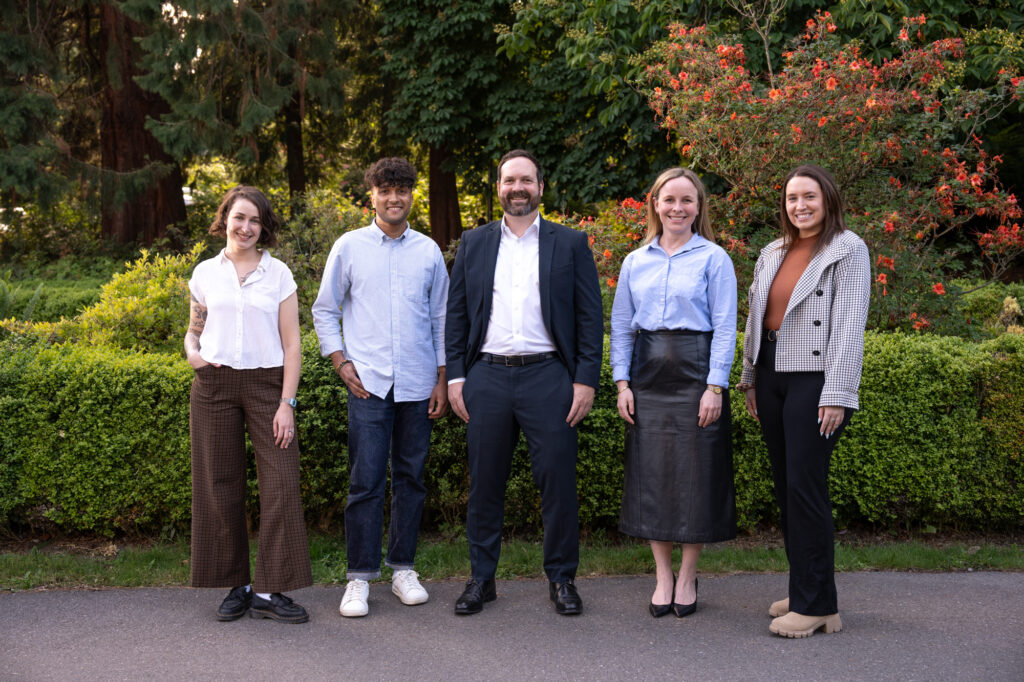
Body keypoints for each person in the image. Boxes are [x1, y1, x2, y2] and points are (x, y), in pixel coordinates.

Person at [445, 149, 604, 616]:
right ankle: (481, 579)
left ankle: (562, 580)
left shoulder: (570, 243)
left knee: (557, 483)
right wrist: (457, 377)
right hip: (487, 377)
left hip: (549, 376)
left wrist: (585, 381)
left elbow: (589, 318)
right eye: (509, 180)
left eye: (526, 180)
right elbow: (455, 315)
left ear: (540, 186)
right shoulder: (473, 243)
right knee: (485, 485)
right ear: (498, 187)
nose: (518, 187)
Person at [736, 164, 870, 638]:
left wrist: (837, 392)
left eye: (809, 197)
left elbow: (850, 324)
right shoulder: (773, 250)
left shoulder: (848, 249)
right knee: (786, 487)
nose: (800, 206)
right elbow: (756, 317)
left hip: (816, 380)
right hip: (772, 375)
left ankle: (815, 606)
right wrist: (749, 378)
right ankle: (809, 591)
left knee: (805, 488)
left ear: (827, 198)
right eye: (792, 198)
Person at [312, 157, 449, 618]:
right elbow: (325, 309)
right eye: (386, 190)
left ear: (412, 195)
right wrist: (339, 360)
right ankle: (359, 577)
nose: (395, 198)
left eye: (403, 190)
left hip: (417, 381)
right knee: (365, 482)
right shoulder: (349, 247)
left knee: (411, 480)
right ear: (371, 195)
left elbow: (441, 318)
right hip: (367, 383)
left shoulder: (428, 251)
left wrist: (442, 378)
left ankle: (403, 568)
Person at [610, 167, 738, 619]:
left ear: (699, 207)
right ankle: (662, 575)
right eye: (669, 200)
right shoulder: (634, 261)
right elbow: (622, 328)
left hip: (696, 374)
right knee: (654, 477)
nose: (677, 208)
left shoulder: (714, 259)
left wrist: (715, 386)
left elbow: (725, 326)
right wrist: (622, 383)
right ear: (655, 204)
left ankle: (687, 577)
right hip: (647, 379)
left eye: (687, 200)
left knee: (696, 477)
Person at [186, 185, 312, 624]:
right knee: (218, 484)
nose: (246, 227)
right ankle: (235, 585)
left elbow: (293, 343)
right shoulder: (205, 273)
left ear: (264, 228)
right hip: (214, 385)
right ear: (225, 219)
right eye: (240, 217)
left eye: (255, 220)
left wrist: (286, 403)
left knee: (280, 483)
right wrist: (192, 353)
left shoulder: (278, 275)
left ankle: (270, 589)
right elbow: (194, 328)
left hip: (266, 386)